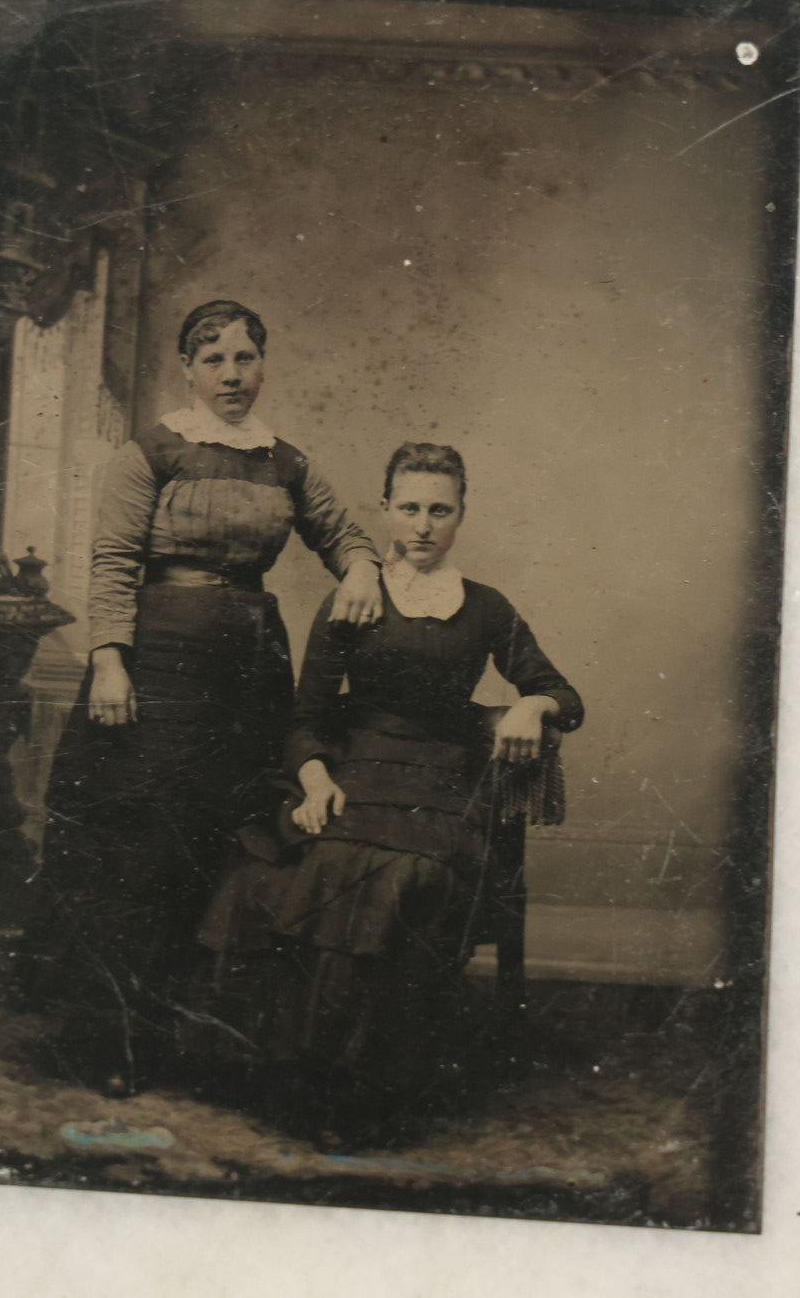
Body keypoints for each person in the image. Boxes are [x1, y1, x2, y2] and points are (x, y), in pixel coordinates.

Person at [22, 300, 382, 1094]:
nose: (231, 375)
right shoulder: (150, 451)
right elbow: (113, 559)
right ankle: (113, 1038)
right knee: (143, 847)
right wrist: (110, 661)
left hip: (250, 672)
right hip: (159, 668)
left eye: (245, 358)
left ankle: (202, 1039)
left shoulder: (286, 460)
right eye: (214, 359)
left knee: (229, 840)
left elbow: (345, 532)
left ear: (264, 365)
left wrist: (358, 565)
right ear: (188, 368)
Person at [193, 442, 584, 1142]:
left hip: (444, 786)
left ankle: (370, 1091)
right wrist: (314, 780)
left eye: (441, 509)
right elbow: (306, 717)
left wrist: (531, 707)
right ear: (385, 510)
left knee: (406, 877)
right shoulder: (354, 599)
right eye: (409, 508)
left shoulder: (487, 608)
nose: (424, 524)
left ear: (462, 515)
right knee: (320, 868)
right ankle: (303, 1077)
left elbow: (564, 694)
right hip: (356, 772)